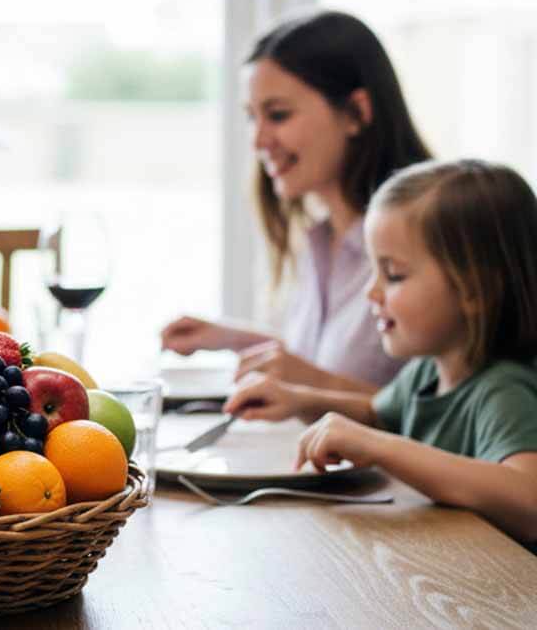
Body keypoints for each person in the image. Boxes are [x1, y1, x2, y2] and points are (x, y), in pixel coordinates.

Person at [223, 159, 537, 545]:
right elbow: (378, 415)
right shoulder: (428, 372)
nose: (371, 293)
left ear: (475, 291)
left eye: (394, 275)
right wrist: (297, 400)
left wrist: (381, 448)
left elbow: (529, 500)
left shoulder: (503, 390)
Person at [162, 10, 431, 393]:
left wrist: (310, 383)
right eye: (253, 118)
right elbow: (328, 363)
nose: (258, 142)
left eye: (278, 115)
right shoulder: (322, 239)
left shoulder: (425, 244)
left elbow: (444, 418)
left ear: (356, 112)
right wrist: (230, 338)